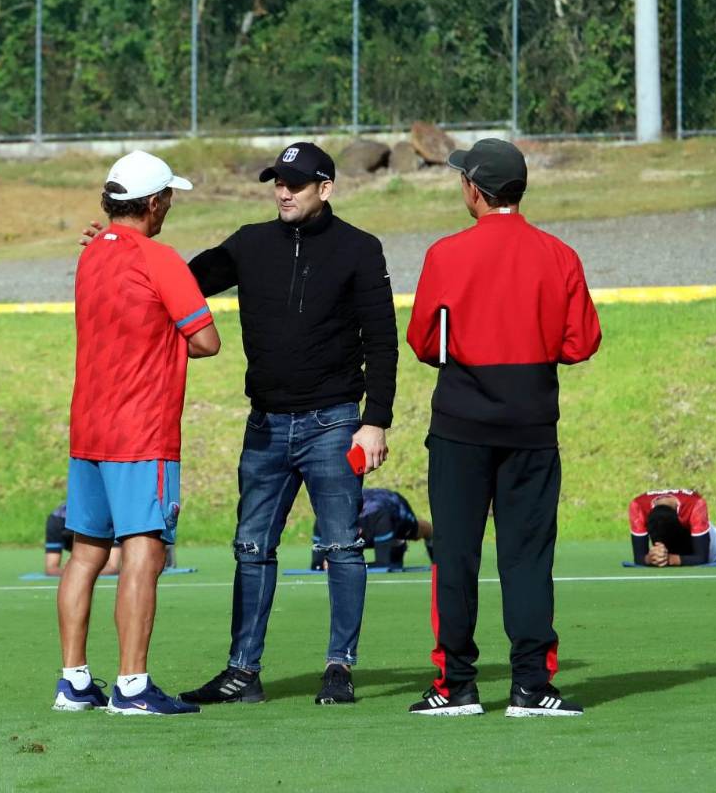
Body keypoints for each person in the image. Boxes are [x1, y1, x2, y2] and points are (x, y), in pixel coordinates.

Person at [176, 142, 398, 707]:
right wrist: (119, 253)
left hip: (334, 423)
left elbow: (382, 341)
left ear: (325, 188)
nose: (283, 191)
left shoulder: (359, 249)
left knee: (342, 547)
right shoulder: (250, 242)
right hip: (266, 427)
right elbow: (181, 283)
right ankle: (242, 673)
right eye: (278, 181)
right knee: (251, 547)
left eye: (296, 184)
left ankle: (339, 668)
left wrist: (375, 422)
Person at [404, 138, 601, 717]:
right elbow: (581, 342)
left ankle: (456, 685)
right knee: (528, 558)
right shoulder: (559, 255)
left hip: (460, 426)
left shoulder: (446, 254)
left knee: (457, 555)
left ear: (474, 189)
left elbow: (422, 342)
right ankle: (532, 686)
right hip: (532, 427)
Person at [53, 150, 220, 717]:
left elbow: (119, 270)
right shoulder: (161, 258)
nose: (170, 204)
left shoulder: (91, 254)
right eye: (169, 196)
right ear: (153, 202)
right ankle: (132, 685)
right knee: (143, 553)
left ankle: (73, 682)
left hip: (88, 427)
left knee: (85, 554)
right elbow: (206, 340)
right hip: (141, 430)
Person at [309, 488, 433, 570]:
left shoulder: (380, 519)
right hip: (369, 510)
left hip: (395, 508)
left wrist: (346, 566)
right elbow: (316, 565)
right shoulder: (322, 521)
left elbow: (383, 564)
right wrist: (324, 563)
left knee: (416, 532)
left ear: (358, 531)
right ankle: (395, 547)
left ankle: (421, 537)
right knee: (393, 559)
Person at [628, 489, 716, 567]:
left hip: (696, 537)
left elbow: (701, 558)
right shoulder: (638, 506)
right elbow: (638, 557)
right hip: (677, 534)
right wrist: (650, 558)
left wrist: (669, 559)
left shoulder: (696, 504)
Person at [44, 503, 120, 577]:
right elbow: (51, 569)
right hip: (60, 521)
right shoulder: (56, 519)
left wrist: (79, 570)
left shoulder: (111, 517)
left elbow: (112, 568)